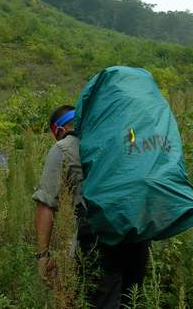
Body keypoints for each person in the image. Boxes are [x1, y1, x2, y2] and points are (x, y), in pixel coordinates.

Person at [33, 105, 150, 309]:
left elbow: (46, 204)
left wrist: (42, 255)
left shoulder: (63, 147)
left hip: (99, 235)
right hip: (137, 229)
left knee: (102, 301)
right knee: (131, 300)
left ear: (59, 130)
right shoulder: (118, 138)